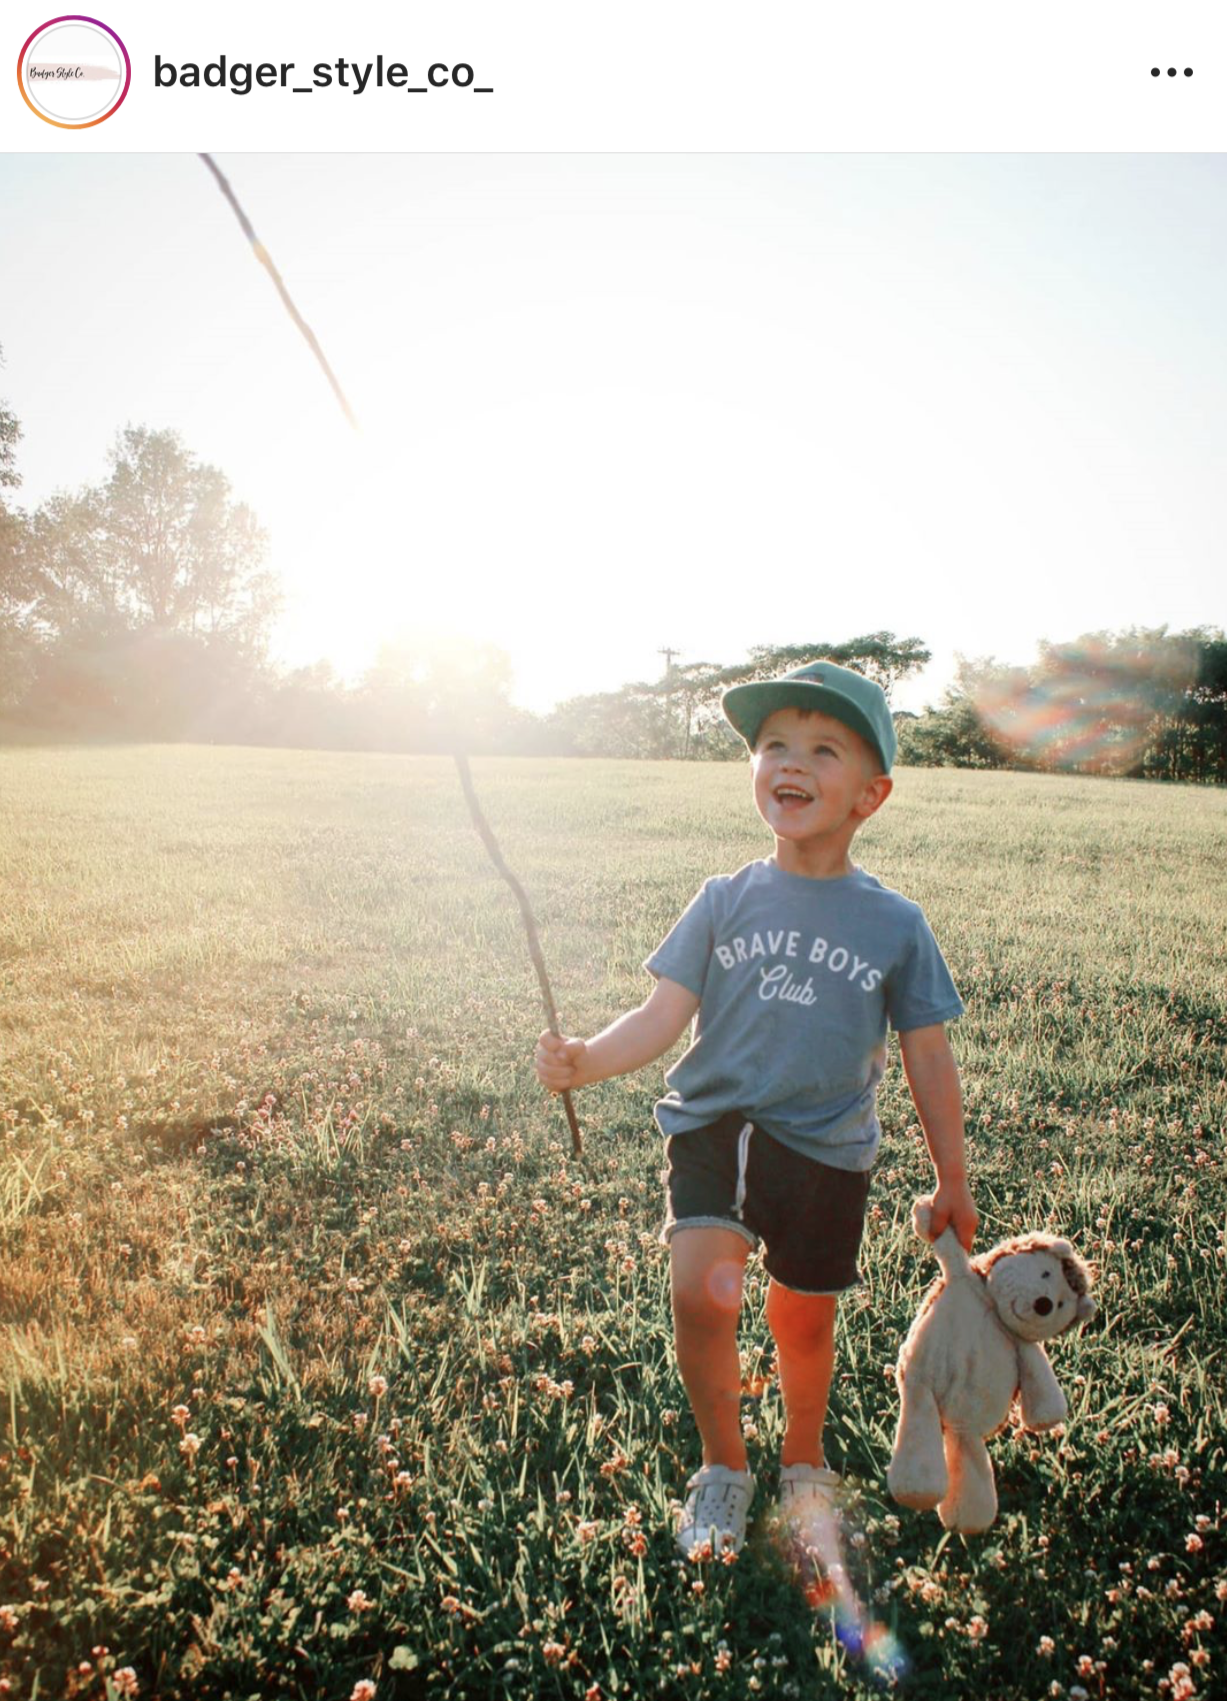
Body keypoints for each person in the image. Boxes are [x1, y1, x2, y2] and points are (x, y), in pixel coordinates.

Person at [534, 659, 977, 1563]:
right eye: (774, 744)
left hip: (827, 1148)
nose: (791, 762)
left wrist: (951, 1175)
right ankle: (721, 1467)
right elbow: (661, 1014)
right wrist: (585, 1059)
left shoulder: (895, 924)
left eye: (823, 749)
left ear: (870, 793)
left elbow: (926, 1053)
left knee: (802, 1320)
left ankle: (803, 1457)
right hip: (717, 1127)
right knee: (701, 1296)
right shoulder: (723, 899)